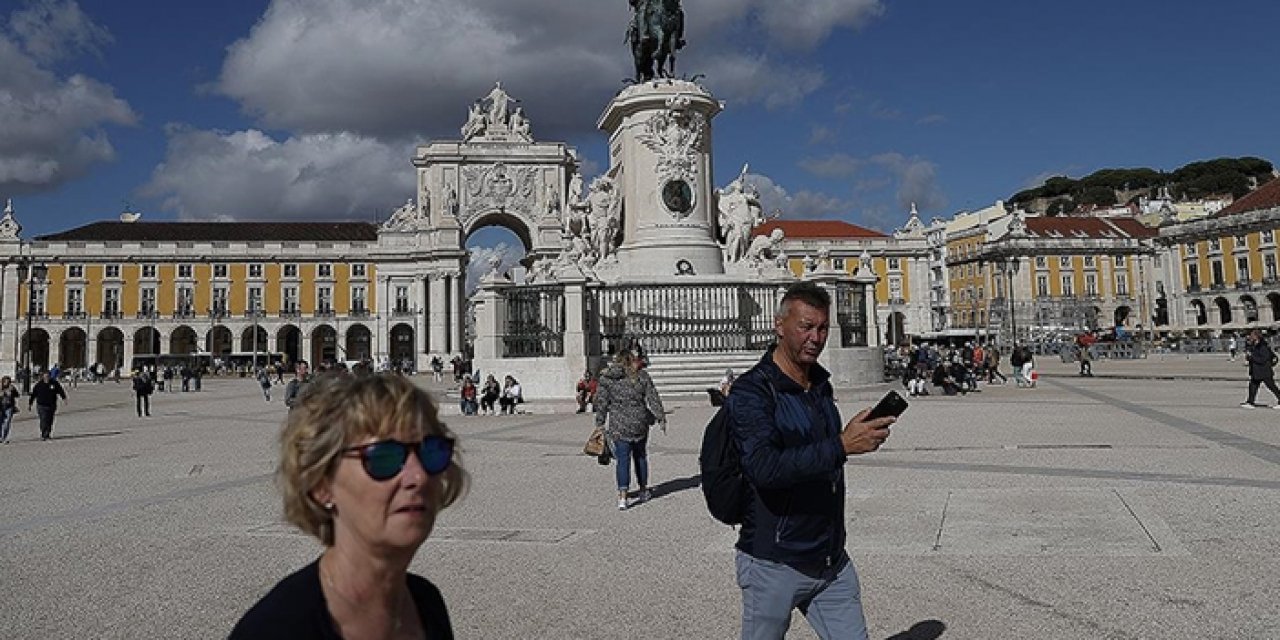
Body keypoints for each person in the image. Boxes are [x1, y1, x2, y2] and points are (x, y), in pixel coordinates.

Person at [230, 373, 466, 638]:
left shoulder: (425, 603)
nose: (418, 476)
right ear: (321, 484)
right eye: (383, 458)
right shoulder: (275, 631)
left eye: (431, 452)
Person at [726, 281, 893, 640]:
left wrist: (848, 439)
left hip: (830, 559)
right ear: (779, 325)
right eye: (805, 327)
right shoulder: (751, 392)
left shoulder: (819, 384)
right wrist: (841, 446)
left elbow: (824, 456)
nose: (815, 337)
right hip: (774, 561)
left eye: (822, 328)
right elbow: (764, 468)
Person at [595, 349, 666, 510]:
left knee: (622, 460)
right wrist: (660, 416)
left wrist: (599, 422)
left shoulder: (607, 379)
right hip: (639, 422)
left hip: (619, 424)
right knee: (640, 456)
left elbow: (602, 402)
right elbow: (652, 397)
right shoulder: (641, 376)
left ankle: (622, 496)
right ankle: (642, 490)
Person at [1240, 329, 1280, 409]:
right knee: (1252, 387)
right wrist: (1249, 357)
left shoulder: (1262, 346)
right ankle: (1250, 402)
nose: (1250, 337)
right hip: (1256, 371)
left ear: (1256, 336)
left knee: (1272, 387)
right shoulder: (1254, 346)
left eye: (1252, 335)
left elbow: (1263, 359)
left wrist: (1251, 357)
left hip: (1264, 371)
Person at [28, 371, 68, 441]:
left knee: (50, 420)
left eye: (48, 376)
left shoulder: (54, 383)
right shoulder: (39, 385)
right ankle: (44, 434)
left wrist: (64, 398)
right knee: (43, 419)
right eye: (45, 376)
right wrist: (30, 404)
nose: (47, 378)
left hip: (51, 405)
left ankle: (48, 433)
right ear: (43, 377)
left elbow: (60, 391)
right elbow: (33, 394)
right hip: (41, 405)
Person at [0, 376, 19, 443]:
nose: (7, 383)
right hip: (1, 407)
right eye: (5, 382)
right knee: (0, 422)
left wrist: (12, 391)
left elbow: (17, 395)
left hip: (9, 406)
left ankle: (4, 437)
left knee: (7, 422)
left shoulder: (11, 388)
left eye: (8, 382)